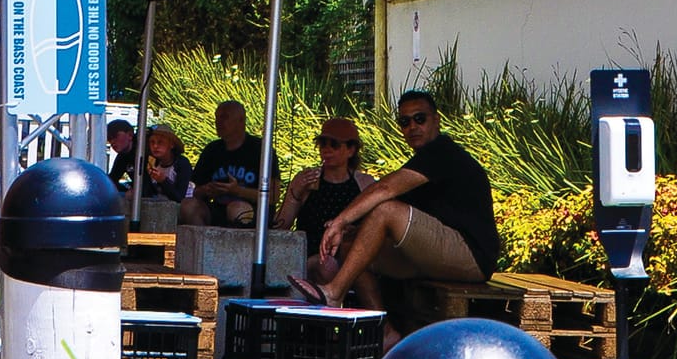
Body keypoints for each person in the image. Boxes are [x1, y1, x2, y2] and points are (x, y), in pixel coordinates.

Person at [290, 91, 496, 324]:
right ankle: (384, 331)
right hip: (438, 253)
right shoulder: (422, 163)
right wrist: (354, 230)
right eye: (405, 122)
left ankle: (333, 293)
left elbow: (385, 190)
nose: (412, 127)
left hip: (471, 256)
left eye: (420, 119)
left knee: (385, 209)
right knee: (352, 247)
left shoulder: (441, 152)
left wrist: (340, 222)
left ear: (436, 121)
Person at [276, 118, 374, 282]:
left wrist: (349, 230)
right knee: (326, 265)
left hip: (349, 255)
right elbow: (281, 226)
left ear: (351, 150)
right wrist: (295, 194)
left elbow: (375, 226)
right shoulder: (308, 180)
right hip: (311, 255)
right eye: (323, 144)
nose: (326, 149)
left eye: (334, 145)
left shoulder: (364, 183)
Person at [186, 100, 278, 226]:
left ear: (241, 120)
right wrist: (207, 190)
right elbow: (196, 192)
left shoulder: (261, 149)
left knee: (236, 209)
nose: (218, 122)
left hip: (253, 213)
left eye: (224, 117)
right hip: (217, 209)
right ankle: (201, 244)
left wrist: (238, 191)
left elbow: (273, 196)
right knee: (188, 206)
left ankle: (239, 246)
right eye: (217, 117)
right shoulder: (212, 150)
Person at [138, 123, 192, 202]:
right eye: (152, 142)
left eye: (160, 142)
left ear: (171, 145)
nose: (155, 146)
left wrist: (163, 181)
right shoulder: (151, 163)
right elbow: (147, 193)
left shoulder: (182, 163)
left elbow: (179, 198)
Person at [106, 118, 136, 188]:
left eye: (115, 136)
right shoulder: (122, 157)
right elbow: (112, 181)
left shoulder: (144, 151)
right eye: (109, 139)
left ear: (130, 135)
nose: (112, 142)